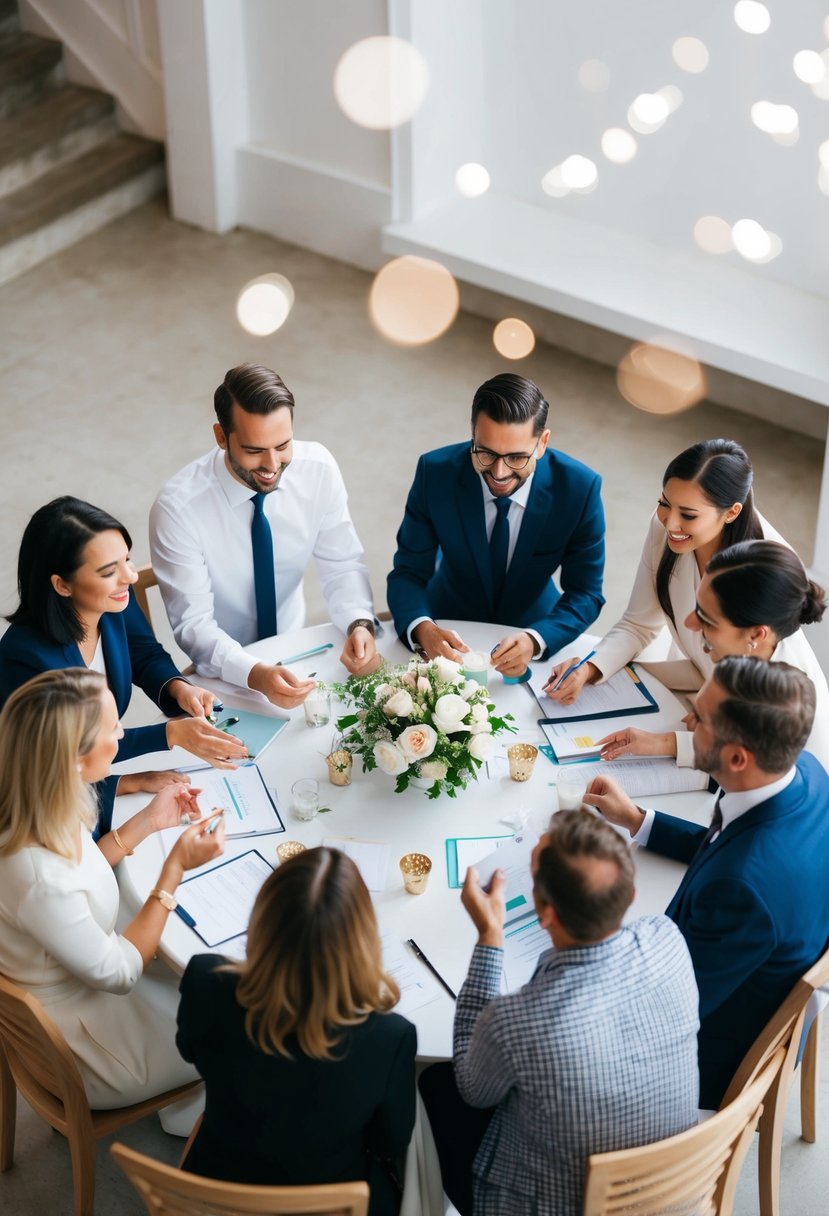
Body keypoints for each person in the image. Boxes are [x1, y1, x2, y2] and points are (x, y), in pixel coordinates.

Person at [419, 811, 699, 1215]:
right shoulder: (669, 938)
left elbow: (473, 1090)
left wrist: (489, 939)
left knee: (435, 1083)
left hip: (556, 1204)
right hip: (673, 1187)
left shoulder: (518, 1021)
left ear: (545, 915)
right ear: (630, 894)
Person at [586, 656, 829, 1109]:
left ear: (737, 757)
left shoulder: (741, 891)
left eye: (699, 719)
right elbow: (737, 841)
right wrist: (641, 821)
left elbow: (663, 1016)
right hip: (744, 966)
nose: (686, 719)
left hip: (705, 1056)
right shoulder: (809, 774)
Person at [0, 668, 225, 1131]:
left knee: (202, 974)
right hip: (86, 1045)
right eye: (113, 728)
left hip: (80, 973)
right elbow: (120, 974)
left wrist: (148, 821)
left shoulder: (38, 800)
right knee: (236, 1022)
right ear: (76, 758)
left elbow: (79, 874)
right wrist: (174, 868)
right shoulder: (37, 873)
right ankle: (197, 1115)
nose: (122, 733)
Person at [176, 847, 416, 1215]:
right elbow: (390, 1141)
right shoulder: (390, 1037)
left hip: (219, 1186)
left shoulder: (205, 980)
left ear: (263, 920)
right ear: (360, 941)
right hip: (328, 1202)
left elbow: (190, 1050)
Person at [0, 498, 246, 838]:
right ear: (61, 584)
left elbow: (143, 652)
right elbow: (64, 755)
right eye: (108, 571)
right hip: (50, 815)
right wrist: (167, 738)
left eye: (126, 560)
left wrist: (178, 687)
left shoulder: (111, 603)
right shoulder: (26, 660)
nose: (130, 577)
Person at [150, 364, 380, 708]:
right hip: (223, 673)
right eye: (255, 450)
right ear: (220, 436)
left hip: (298, 644)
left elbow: (342, 563)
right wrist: (256, 673)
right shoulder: (177, 509)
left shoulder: (318, 469)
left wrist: (358, 622)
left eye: (283, 445)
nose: (272, 464)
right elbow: (194, 625)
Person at [386, 373, 605, 679]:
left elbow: (586, 593)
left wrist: (536, 639)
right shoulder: (434, 473)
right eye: (486, 453)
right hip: (447, 616)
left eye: (516, 457)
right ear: (473, 434)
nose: (499, 473)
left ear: (542, 443)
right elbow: (408, 572)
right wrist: (423, 629)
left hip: (533, 625)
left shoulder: (580, 488)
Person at [544, 437, 785, 704]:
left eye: (689, 515)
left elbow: (765, 705)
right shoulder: (664, 530)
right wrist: (590, 668)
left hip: (754, 714)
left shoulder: (767, 571)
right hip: (693, 686)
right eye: (664, 503)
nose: (670, 524)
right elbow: (638, 624)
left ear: (731, 513)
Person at [598, 540, 829, 772]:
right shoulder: (755, 641)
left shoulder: (785, 700)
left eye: (707, 619)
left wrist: (666, 742)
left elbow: (744, 758)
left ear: (757, 634)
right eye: (697, 607)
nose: (689, 623)